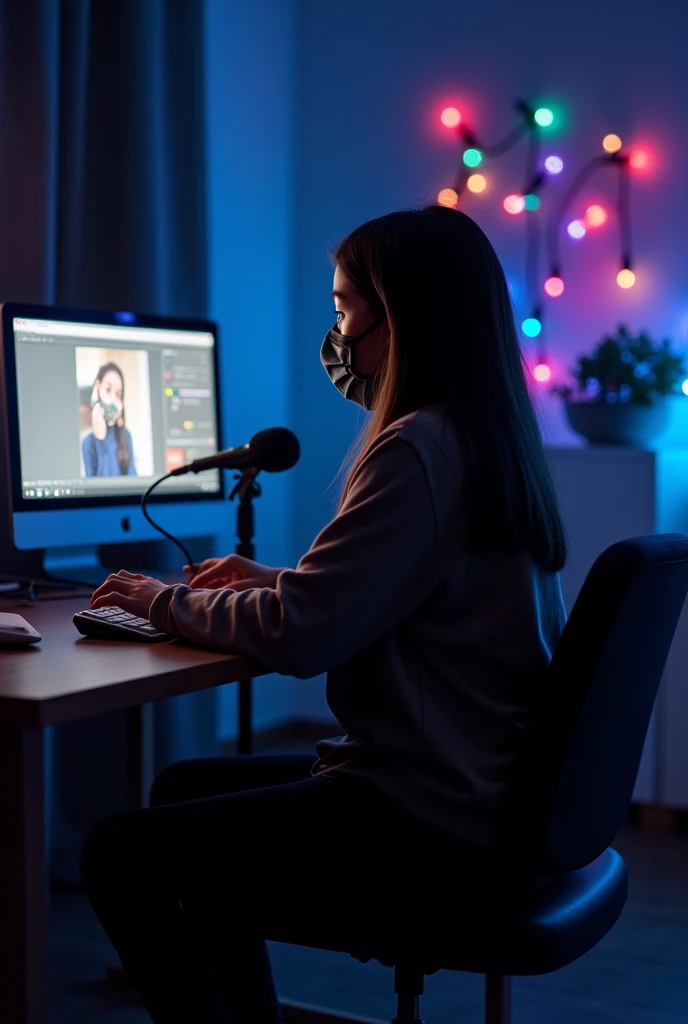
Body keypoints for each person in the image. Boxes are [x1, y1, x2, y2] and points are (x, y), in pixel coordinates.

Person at [80, 205, 568, 1023]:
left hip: (426, 813)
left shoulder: (418, 448)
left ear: (399, 320)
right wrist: (267, 579)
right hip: (486, 792)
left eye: (344, 310)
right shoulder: (486, 436)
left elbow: (306, 636)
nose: (336, 334)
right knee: (182, 789)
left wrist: (166, 600)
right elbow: (397, 592)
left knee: (121, 857)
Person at [82, 361, 136, 476]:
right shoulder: (87, 443)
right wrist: (101, 440)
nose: (112, 399)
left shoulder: (125, 436)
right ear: (97, 389)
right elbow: (100, 490)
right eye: (107, 390)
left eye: (118, 394)